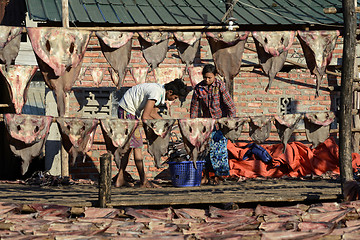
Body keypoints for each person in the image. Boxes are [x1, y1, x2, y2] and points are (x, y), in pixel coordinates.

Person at [117, 78, 188, 188]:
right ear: (170, 92)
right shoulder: (156, 92)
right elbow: (146, 116)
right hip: (128, 112)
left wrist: (167, 124)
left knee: (128, 149)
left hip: (129, 111)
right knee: (137, 147)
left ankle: (120, 178)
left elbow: (154, 114)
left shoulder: (159, 93)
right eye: (174, 97)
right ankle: (143, 181)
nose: (173, 100)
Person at [190, 64, 237, 185]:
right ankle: (205, 176)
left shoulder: (220, 86)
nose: (207, 80)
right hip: (206, 126)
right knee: (205, 151)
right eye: (205, 77)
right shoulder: (199, 88)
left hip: (220, 125)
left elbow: (229, 104)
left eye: (210, 78)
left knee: (219, 151)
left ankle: (218, 177)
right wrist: (193, 124)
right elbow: (194, 108)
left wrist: (230, 121)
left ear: (214, 76)